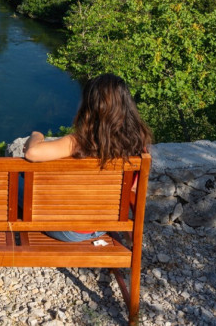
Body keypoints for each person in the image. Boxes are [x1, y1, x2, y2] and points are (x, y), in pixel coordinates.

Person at [23, 73, 152, 242]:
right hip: (102, 226)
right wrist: (129, 232)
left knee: (20, 184)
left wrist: (37, 135)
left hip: (66, 230)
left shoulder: (79, 142)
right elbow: (133, 191)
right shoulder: (137, 147)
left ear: (90, 107)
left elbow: (32, 153)